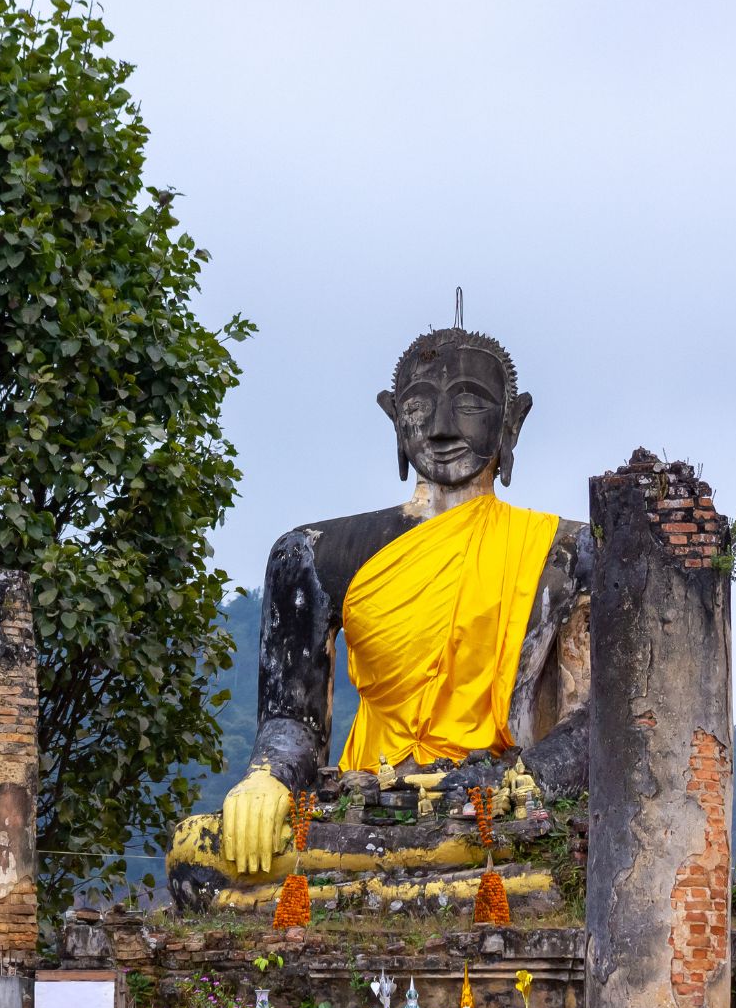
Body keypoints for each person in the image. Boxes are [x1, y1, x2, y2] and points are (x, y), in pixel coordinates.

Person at [216, 326, 593, 874]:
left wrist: (528, 780)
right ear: (396, 418)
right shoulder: (315, 556)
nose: (441, 428)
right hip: (364, 800)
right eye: (421, 405)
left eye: (468, 402)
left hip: (499, 803)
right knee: (205, 857)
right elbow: (292, 721)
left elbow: (594, 721)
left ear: (512, 422)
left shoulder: (566, 552)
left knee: (556, 857)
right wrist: (267, 777)